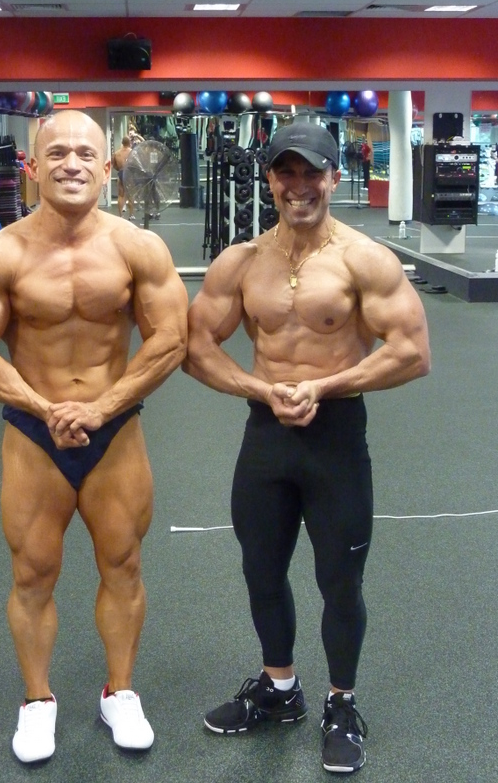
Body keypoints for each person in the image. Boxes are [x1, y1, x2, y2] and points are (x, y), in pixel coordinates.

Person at [183, 122, 430, 774]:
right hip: (266, 436)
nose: (300, 186)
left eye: (312, 172)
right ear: (269, 180)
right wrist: (261, 390)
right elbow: (196, 347)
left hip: (336, 438)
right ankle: (280, 688)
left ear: (334, 177)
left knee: (339, 581)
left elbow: (412, 352)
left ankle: (341, 703)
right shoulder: (241, 262)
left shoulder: (364, 260)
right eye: (286, 172)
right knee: (261, 570)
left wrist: (325, 385)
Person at [0, 109, 188, 762]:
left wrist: (103, 406)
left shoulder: (139, 248)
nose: (72, 164)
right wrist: (43, 405)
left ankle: (120, 692)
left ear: (107, 169)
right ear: (32, 167)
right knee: (32, 572)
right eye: (56, 153)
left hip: (115, 429)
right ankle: (37, 701)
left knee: (124, 562)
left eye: (86, 153)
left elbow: (171, 340)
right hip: (34, 433)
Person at [112, 135, 135, 219]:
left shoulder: (117, 153)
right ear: (129, 143)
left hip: (121, 173)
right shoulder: (132, 152)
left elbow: (114, 165)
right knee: (131, 195)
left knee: (120, 195)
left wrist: (119, 169)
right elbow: (136, 164)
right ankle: (131, 215)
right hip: (129, 174)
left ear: (122, 143)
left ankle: (121, 215)